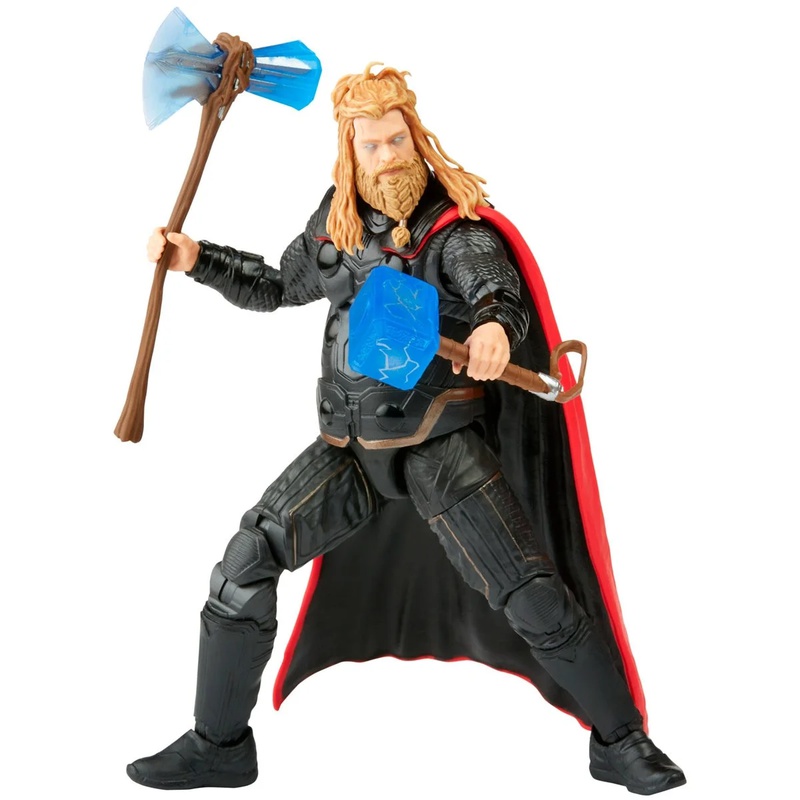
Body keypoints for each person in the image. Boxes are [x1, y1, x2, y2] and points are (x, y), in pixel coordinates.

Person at [126, 64, 686, 795]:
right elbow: (276, 287)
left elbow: (495, 292)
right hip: (350, 449)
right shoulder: (335, 226)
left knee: (531, 591)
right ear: (350, 151)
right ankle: (218, 745)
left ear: (415, 136)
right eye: (373, 145)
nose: (389, 157)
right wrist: (199, 260)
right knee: (245, 560)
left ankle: (620, 741)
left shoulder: (453, 228)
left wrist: (492, 329)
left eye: (398, 140)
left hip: (438, 445)